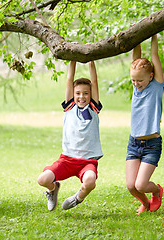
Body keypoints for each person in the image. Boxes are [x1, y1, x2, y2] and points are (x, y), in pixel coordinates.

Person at [37, 61, 103, 211]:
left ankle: (77, 198)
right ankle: (53, 189)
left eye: (86, 93)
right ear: (73, 94)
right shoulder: (69, 107)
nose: (82, 96)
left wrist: (91, 60)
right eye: (78, 93)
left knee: (90, 181)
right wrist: (72, 59)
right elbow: (69, 79)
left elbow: (94, 81)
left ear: (91, 94)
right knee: (42, 179)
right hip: (67, 159)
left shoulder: (93, 108)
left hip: (87, 161)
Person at [126, 34, 164, 215]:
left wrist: (153, 33)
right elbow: (136, 57)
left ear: (150, 76)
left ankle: (156, 191)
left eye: (139, 80)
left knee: (141, 184)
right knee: (131, 186)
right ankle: (146, 203)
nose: (136, 84)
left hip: (152, 144)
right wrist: (138, 34)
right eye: (133, 80)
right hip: (133, 143)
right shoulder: (136, 87)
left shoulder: (156, 86)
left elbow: (154, 55)